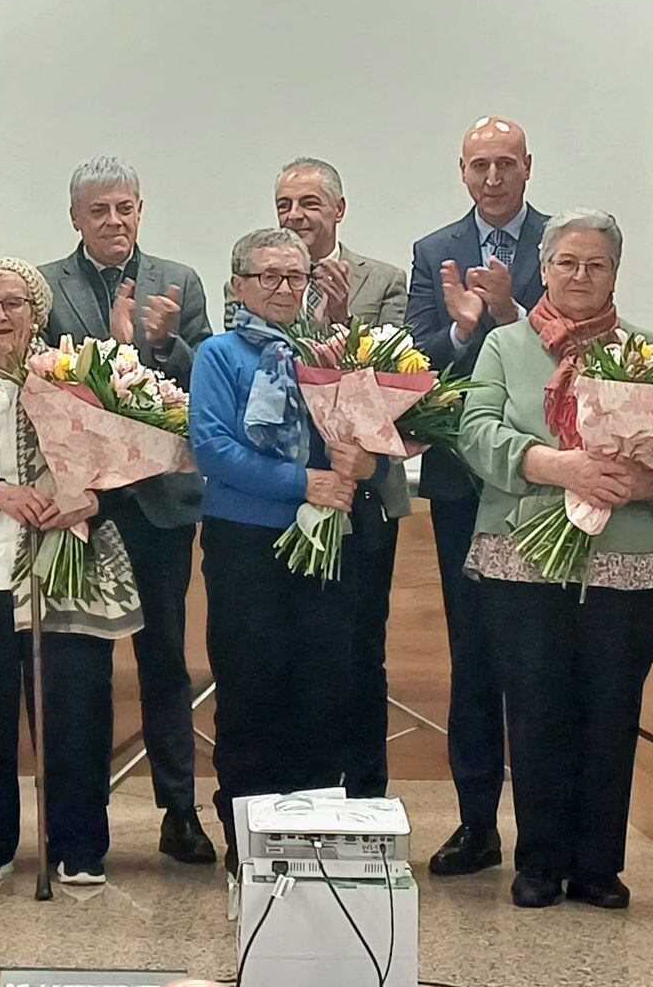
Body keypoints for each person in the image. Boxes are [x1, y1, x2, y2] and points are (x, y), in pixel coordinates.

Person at [455, 210, 653, 911]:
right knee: (534, 710)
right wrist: (560, 467)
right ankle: (539, 861)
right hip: (523, 552)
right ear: (544, 269)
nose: (580, 276)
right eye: (567, 264)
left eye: (596, 265)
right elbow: (477, 433)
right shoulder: (504, 345)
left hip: (629, 557)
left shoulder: (652, 349)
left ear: (615, 273)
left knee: (611, 710)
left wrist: (652, 481)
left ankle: (598, 867)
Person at [0, 258, 143, 885]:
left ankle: (79, 849)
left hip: (64, 566)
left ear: (36, 312)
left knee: (75, 712)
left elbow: (120, 461)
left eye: (13, 304)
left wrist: (88, 496)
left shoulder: (73, 373)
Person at [41, 156, 217, 865]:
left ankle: (180, 811)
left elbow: (206, 378)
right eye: (99, 211)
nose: (114, 222)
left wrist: (163, 344)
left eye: (125, 209)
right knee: (79, 665)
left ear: (141, 210)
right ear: (76, 218)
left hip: (159, 507)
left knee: (164, 659)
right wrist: (108, 352)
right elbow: (44, 384)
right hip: (83, 506)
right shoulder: (47, 287)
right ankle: (83, 820)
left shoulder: (180, 281)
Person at [191, 228, 378, 874]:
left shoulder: (327, 352)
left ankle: (313, 836)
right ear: (238, 284)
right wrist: (304, 482)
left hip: (325, 538)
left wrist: (363, 457)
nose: (281, 289)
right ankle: (248, 841)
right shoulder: (218, 354)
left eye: (293, 277)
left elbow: (360, 432)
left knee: (324, 687)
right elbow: (213, 450)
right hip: (245, 539)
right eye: (266, 276)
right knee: (251, 688)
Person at [403, 116, 550, 877]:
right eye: (478, 166)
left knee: (541, 664)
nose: (492, 178)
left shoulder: (565, 244)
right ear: (462, 172)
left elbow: (583, 342)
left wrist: (508, 320)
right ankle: (475, 826)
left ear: (528, 167)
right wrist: (464, 336)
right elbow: (414, 361)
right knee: (476, 658)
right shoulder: (436, 252)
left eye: (505, 164)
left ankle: (546, 835)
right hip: (465, 485)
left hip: (553, 492)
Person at [272, 156, 410, 799]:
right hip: (289, 497)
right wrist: (310, 319)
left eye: (309, 204)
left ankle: (363, 793)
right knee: (297, 647)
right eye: (285, 206)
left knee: (359, 648)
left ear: (338, 210)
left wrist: (340, 318)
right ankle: (303, 788)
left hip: (367, 496)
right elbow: (270, 370)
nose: (295, 217)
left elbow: (398, 375)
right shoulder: (256, 277)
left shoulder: (384, 279)